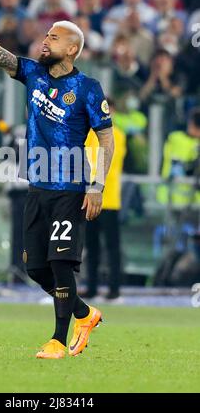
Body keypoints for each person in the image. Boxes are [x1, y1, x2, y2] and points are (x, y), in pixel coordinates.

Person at [0, 0, 114, 359]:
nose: (46, 40)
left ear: (72, 48)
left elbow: (106, 140)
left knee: (62, 262)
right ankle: (84, 313)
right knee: (33, 266)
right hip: (38, 185)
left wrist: (96, 185)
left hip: (70, 187)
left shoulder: (88, 87)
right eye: (46, 35)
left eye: (55, 37)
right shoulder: (33, 73)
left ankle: (58, 341)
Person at [84, 99, 126, 300]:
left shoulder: (117, 135)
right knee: (91, 247)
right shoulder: (91, 134)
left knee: (111, 247)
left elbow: (107, 160)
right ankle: (92, 287)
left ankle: (114, 289)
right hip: (91, 197)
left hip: (109, 198)